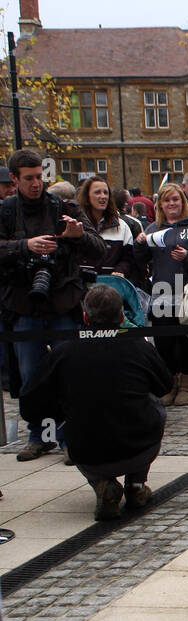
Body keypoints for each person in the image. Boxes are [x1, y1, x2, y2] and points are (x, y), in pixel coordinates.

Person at [18, 285, 171, 518]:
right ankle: (136, 484)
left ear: (85, 317)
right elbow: (165, 386)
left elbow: (30, 403)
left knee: (80, 416)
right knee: (155, 407)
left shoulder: (63, 352)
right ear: (121, 316)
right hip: (138, 445)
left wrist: (60, 412)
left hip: (87, 451)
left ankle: (102, 484)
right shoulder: (139, 346)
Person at [0, 149, 106, 461]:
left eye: (39, 177)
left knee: (70, 371)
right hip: (23, 304)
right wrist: (24, 246)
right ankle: (39, 434)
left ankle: (70, 436)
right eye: (29, 178)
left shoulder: (63, 206)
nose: (36, 184)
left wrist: (77, 235)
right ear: (15, 179)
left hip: (62, 300)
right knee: (31, 375)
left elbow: (98, 248)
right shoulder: (6, 211)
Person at [133, 182, 188, 407]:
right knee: (164, 342)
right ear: (160, 204)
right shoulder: (152, 229)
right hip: (160, 294)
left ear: (182, 202)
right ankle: (169, 383)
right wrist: (139, 245)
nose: (171, 204)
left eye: (175, 199)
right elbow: (141, 261)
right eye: (167, 200)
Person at [76, 175, 144, 285]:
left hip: (111, 288)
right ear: (87, 197)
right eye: (97, 192)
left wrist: (120, 270)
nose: (103, 196)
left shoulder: (121, 226)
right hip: (81, 288)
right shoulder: (77, 225)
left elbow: (128, 257)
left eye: (105, 193)